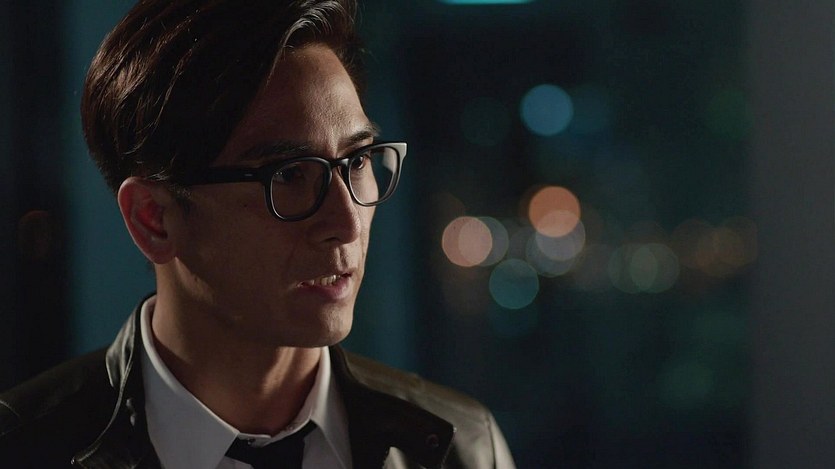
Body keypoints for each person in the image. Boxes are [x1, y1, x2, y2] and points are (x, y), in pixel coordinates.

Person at [0, 0, 516, 468]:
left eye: (357, 161)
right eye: (288, 175)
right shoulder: (24, 449)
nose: (346, 224)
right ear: (153, 218)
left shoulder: (459, 446)